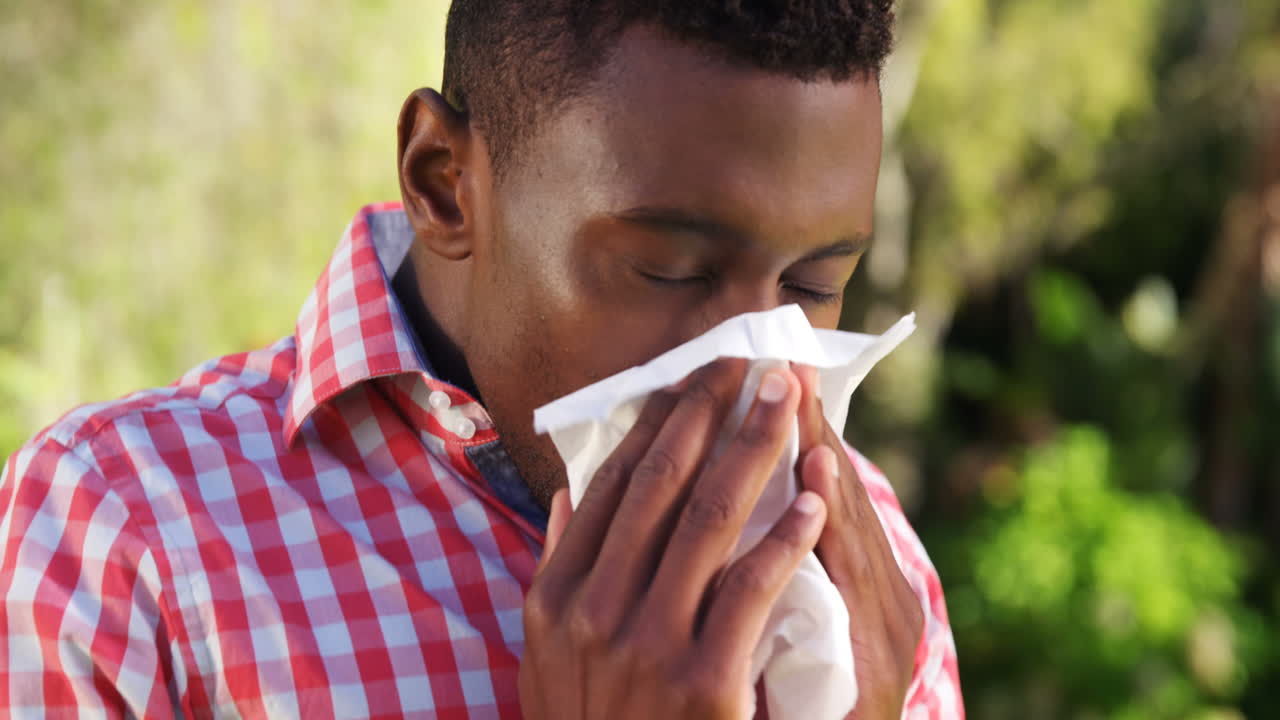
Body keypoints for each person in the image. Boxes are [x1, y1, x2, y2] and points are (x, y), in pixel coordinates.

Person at [0, 0, 963, 717]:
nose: (751, 371)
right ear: (444, 185)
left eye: (810, 286)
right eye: (670, 270)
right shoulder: (123, 535)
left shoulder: (870, 568)